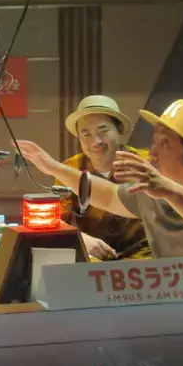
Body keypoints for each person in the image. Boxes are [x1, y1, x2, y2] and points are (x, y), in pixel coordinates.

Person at [17, 99, 183, 287]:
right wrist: (51, 166)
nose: (152, 154)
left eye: (164, 144)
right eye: (153, 142)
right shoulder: (157, 187)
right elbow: (110, 195)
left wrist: (166, 189)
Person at [58, 95, 150, 260]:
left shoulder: (147, 163)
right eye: (86, 134)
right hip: (92, 259)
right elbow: (56, 220)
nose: (96, 141)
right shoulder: (70, 169)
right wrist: (80, 238)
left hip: (144, 259)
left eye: (103, 131)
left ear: (119, 130)